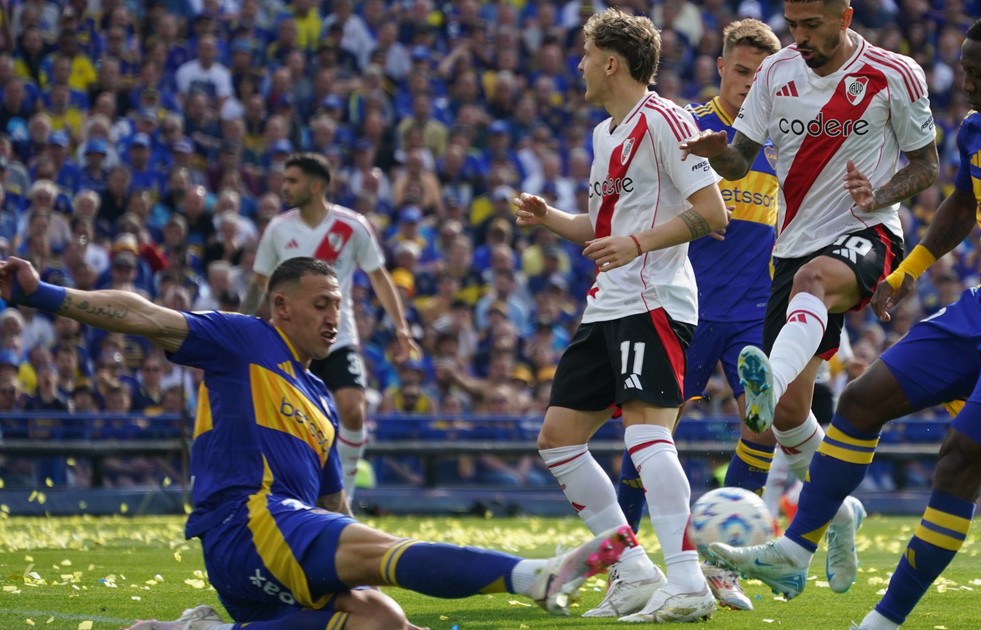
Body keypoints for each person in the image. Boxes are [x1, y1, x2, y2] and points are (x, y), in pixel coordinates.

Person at [705, 10, 981, 630]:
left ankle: (884, 620)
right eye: (964, 71)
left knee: (961, 456)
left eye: (978, 74)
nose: (966, 84)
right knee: (860, 401)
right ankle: (794, 551)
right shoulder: (977, 130)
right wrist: (910, 269)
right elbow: (963, 204)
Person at [0, 255, 637, 630]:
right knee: (382, 554)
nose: (336, 318)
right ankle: (531, 576)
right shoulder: (242, 339)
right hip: (245, 522)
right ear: (281, 306)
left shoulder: (324, 401)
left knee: (381, 619)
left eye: (340, 306)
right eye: (324, 304)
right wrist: (42, 294)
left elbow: (335, 512)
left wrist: (357, 548)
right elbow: (144, 314)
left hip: (274, 555)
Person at [680, 0, 940, 595]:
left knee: (813, 284)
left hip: (869, 231)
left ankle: (767, 378)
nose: (798, 37)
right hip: (794, 244)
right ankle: (840, 513)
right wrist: (716, 153)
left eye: (811, 26)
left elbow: (926, 166)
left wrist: (880, 193)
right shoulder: (777, 72)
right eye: (792, 25)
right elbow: (741, 161)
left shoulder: (894, 73)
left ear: (844, 16)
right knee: (789, 416)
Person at [516, 8, 728, 623]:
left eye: (586, 54)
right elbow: (605, 227)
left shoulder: (666, 120)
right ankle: (633, 570)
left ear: (611, 62)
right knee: (558, 440)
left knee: (646, 436)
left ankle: (687, 582)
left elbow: (713, 212)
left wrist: (637, 245)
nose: (579, 65)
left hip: (654, 299)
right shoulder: (604, 134)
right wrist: (551, 218)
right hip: (607, 303)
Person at [612, 18, 782, 612]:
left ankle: (720, 563)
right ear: (721, 68)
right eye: (742, 71)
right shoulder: (688, 127)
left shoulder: (781, 138)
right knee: (651, 433)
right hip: (687, 303)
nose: (750, 82)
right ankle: (625, 563)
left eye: (761, 74)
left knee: (763, 425)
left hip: (753, 309)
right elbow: (645, 196)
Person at [241, 153, 416, 504]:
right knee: (285, 420)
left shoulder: (352, 226)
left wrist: (401, 327)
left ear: (315, 185)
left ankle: (343, 500)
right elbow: (259, 283)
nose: (284, 187)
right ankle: (287, 497)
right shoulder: (278, 229)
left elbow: (379, 276)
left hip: (337, 336)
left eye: (292, 180)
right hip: (288, 340)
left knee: (352, 410)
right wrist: (240, 328)